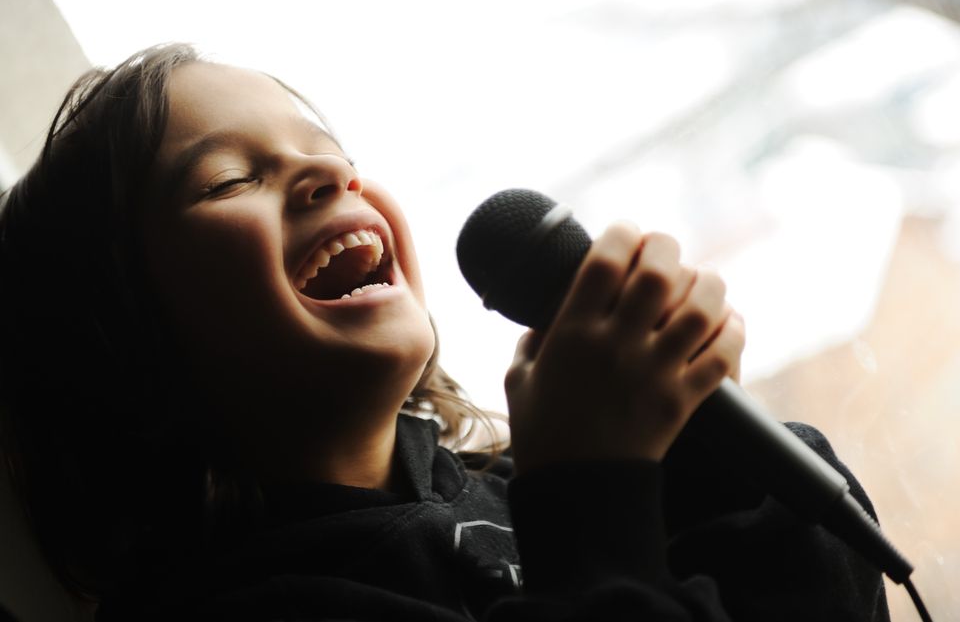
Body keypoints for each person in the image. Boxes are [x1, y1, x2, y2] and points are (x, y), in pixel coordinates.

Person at [0, 43, 890, 622]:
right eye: (229, 179)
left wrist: (704, 454)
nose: (326, 171)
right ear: (119, 339)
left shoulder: (511, 490)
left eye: (330, 152)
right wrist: (589, 488)